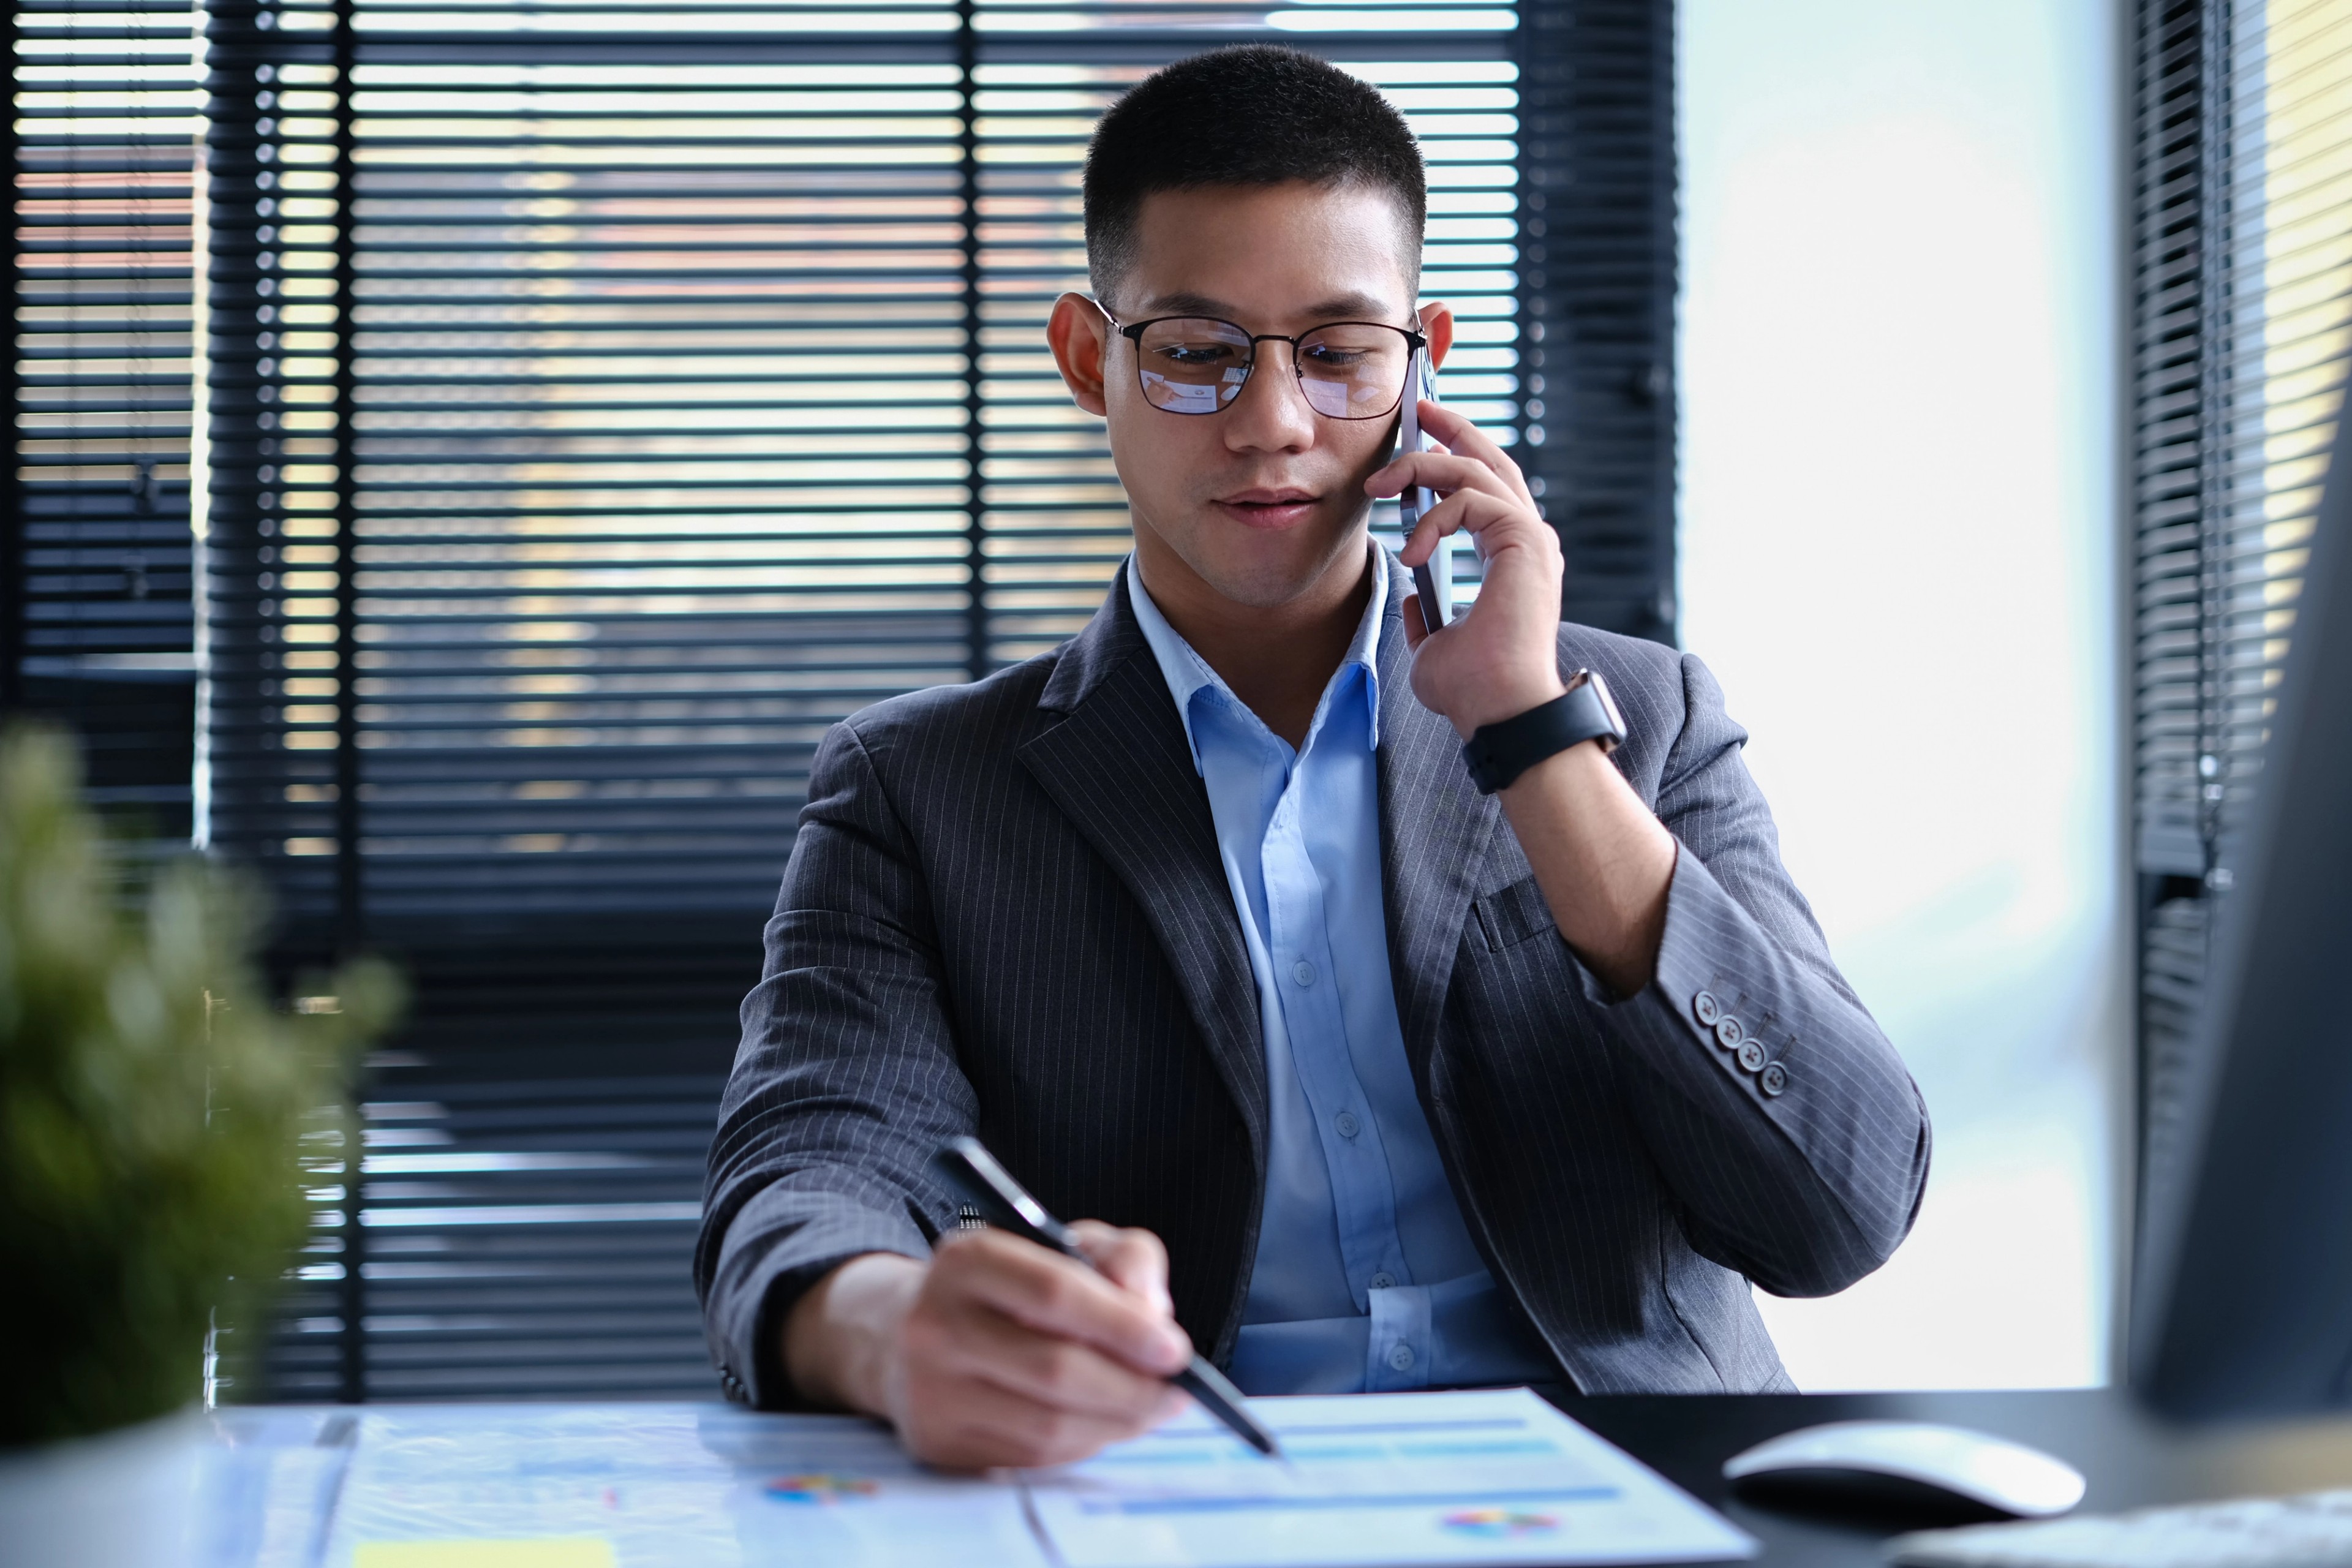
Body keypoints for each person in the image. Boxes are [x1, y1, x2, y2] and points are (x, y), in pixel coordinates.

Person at [696, 45, 1929, 1471]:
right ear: (1092, 360)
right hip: (1174, 1492)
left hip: (1627, 1475)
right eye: (1199, 351)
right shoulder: (919, 788)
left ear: (1424, 366)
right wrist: (894, 1327)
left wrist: (1535, 740)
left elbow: (1839, 1211)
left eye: (1338, 352)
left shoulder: (1640, 716)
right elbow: (808, 1169)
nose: (1273, 419)